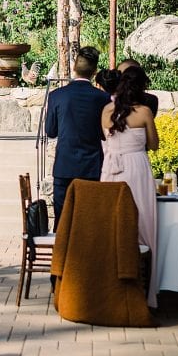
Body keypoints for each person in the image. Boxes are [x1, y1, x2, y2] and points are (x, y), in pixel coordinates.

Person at [101, 65, 160, 308]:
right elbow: (154, 145)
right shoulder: (145, 111)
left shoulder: (106, 111)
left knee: (112, 225)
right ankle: (144, 291)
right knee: (143, 224)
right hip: (136, 168)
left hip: (111, 168)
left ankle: (110, 287)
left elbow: (106, 139)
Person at [45, 46, 111, 229]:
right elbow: (104, 133)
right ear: (94, 71)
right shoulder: (102, 98)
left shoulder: (56, 96)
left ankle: (61, 256)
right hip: (91, 166)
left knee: (62, 220)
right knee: (90, 220)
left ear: (74, 67)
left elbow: (51, 131)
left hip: (64, 166)